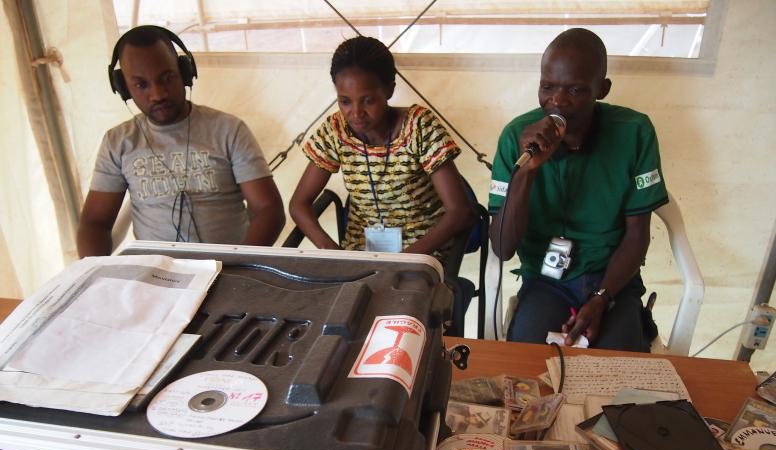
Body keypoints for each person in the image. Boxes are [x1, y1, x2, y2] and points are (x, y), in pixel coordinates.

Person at [489, 28, 669, 350]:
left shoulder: (634, 132)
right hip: (546, 280)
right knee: (528, 359)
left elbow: (637, 235)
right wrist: (526, 173)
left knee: (617, 368)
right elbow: (502, 248)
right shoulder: (517, 137)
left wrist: (602, 297)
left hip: (611, 279)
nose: (557, 101)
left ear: (602, 89)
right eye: (547, 87)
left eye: (575, 90)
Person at [77, 25, 285, 257]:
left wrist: (239, 265)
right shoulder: (118, 142)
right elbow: (95, 223)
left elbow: (269, 210)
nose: (158, 94)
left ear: (185, 72)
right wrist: (93, 273)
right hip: (156, 278)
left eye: (166, 78)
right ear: (123, 88)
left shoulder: (228, 130)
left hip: (229, 271)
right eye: (141, 85)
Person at [289, 36, 473, 261]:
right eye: (345, 101)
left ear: (389, 89)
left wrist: (399, 262)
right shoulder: (335, 130)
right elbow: (299, 204)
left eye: (368, 101)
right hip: (361, 254)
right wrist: (332, 252)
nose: (356, 113)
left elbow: (459, 212)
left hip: (422, 253)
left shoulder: (419, 126)